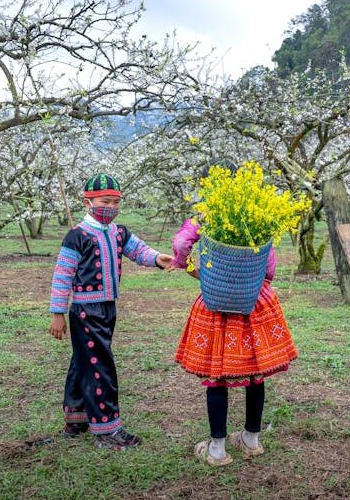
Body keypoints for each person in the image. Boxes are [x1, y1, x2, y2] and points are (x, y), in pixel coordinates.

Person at [168, 159, 298, 466]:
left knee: (218, 377)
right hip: (255, 302)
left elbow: (180, 243)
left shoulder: (203, 215)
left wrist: (193, 271)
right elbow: (268, 263)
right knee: (255, 373)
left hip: (217, 304)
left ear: (207, 187)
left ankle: (217, 450)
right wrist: (256, 281)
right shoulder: (259, 215)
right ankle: (251, 440)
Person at [48, 173, 172, 450]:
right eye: (106, 201)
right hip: (85, 310)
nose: (111, 207)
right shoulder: (77, 236)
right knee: (100, 365)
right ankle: (107, 428)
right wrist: (58, 312)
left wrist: (157, 259)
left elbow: (138, 250)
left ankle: (77, 418)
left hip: (107, 308)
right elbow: (62, 275)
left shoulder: (118, 232)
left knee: (84, 361)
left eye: (116, 202)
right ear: (88, 202)